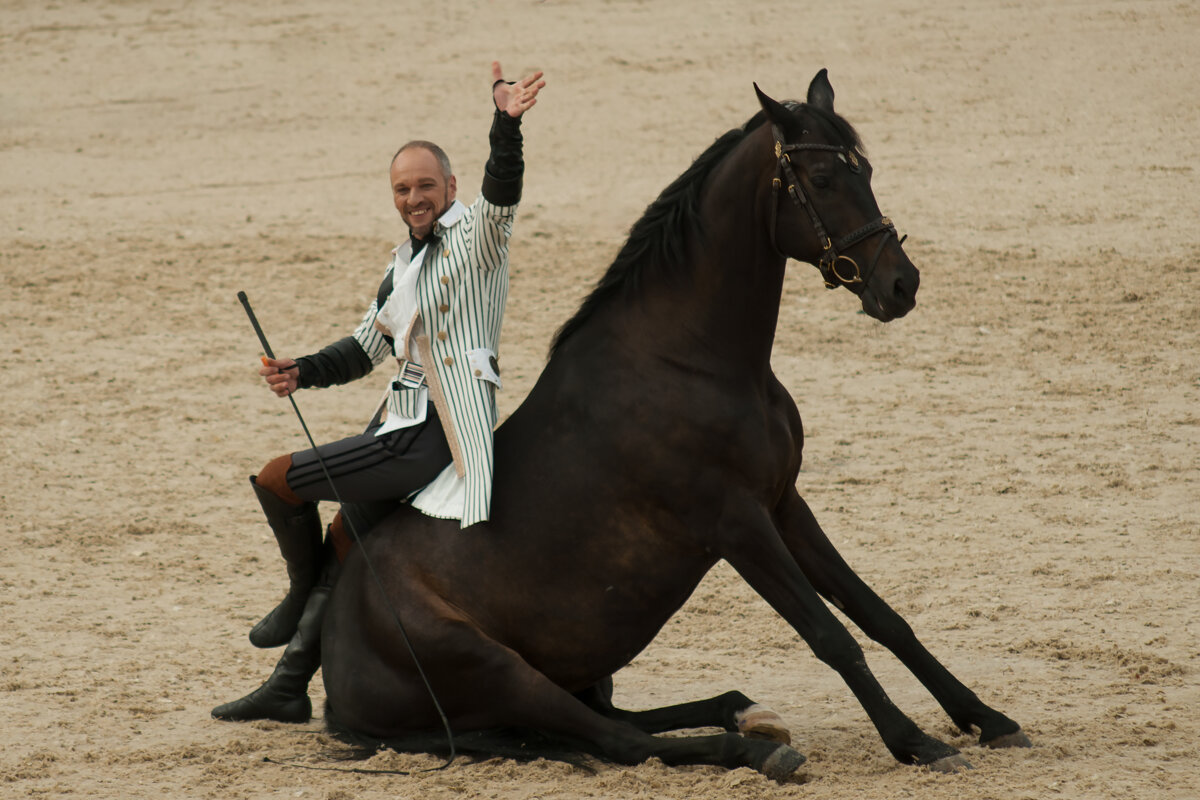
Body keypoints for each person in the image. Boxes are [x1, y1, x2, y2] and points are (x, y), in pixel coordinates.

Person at [212, 61, 546, 724]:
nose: (414, 197)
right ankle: (287, 687)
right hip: (395, 417)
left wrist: (505, 128)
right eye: (402, 188)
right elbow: (365, 347)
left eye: (426, 185)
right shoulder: (402, 263)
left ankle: (295, 592)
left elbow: (502, 191)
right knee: (344, 544)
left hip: (436, 432)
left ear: (450, 186)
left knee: (278, 479)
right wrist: (300, 370)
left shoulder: (479, 237)